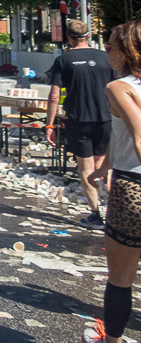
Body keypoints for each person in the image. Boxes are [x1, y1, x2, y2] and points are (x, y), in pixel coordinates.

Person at [82, 21, 141, 343]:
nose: (106, 51)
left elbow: (138, 133)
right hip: (124, 174)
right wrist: (104, 167)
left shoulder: (119, 86)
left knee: (121, 278)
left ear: (127, 51)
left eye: (109, 46)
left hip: (134, 189)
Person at [45, 18, 113, 227]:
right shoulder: (107, 58)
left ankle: (95, 215)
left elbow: (54, 95)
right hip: (106, 119)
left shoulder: (64, 60)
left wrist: (49, 125)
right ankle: (118, 213)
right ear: (89, 36)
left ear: (68, 38)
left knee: (86, 167)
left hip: (79, 119)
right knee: (104, 167)